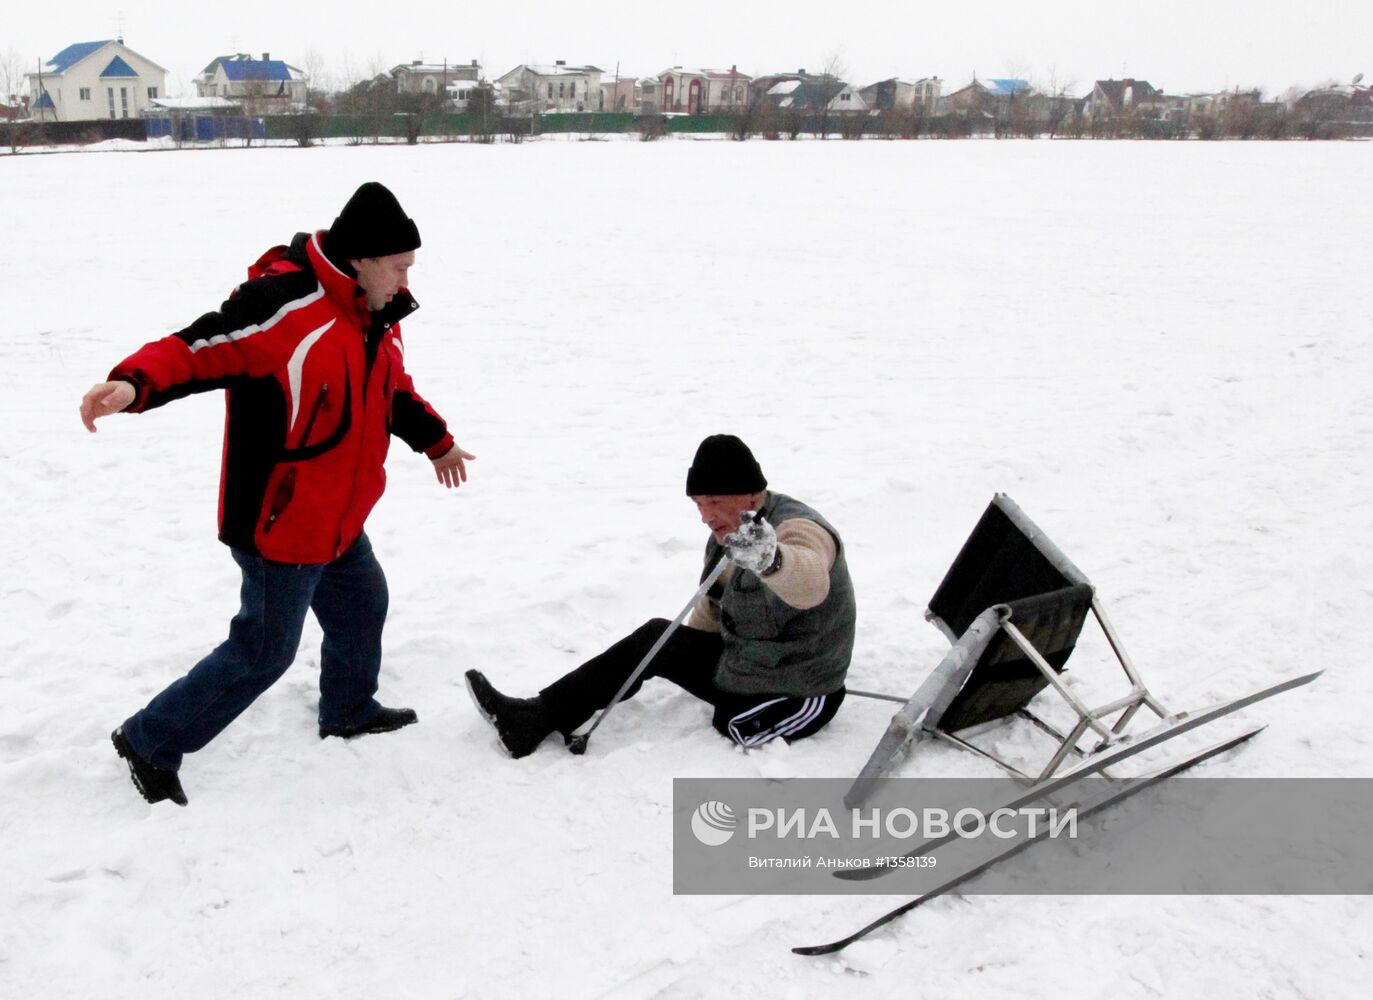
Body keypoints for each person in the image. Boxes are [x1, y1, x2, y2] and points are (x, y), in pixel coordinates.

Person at [80, 181, 475, 807]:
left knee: (362, 606)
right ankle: (150, 739)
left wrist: (437, 442)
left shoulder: (378, 315)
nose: (406, 282)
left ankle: (347, 707)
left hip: (340, 515)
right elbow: (195, 348)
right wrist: (134, 384)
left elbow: (391, 390)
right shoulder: (283, 308)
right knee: (263, 651)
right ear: (361, 259)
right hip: (280, 523)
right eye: (398, 267)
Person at [466, 435, 855, 758]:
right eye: (699, 504)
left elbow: (810, 584)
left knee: (730, 719)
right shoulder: (728, 534)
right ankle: (534, 718)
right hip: (750, 662)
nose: (705, 515)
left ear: (751, 496)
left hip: (797, 688)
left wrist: (770, 560)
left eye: (714, 502)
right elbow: (712, 604)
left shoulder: (799, 529)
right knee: (657, 637)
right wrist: (679, 652)